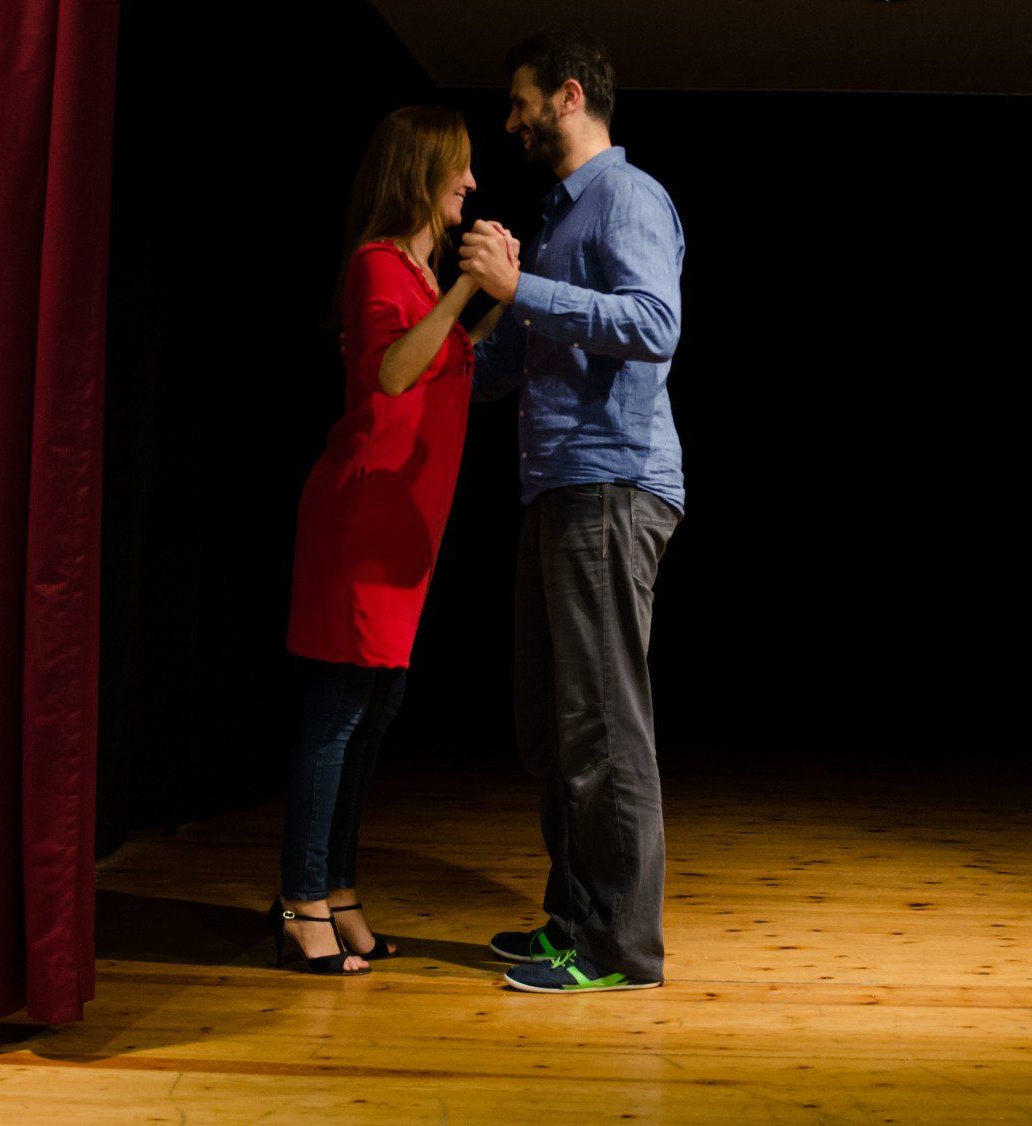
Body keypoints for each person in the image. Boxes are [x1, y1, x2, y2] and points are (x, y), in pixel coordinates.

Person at [460, 29, 686, 994]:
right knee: (548, 727)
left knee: (600, 724)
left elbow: (655, 323)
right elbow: (497, 371)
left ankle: (619, 950)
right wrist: (459, 311)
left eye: (520, 102)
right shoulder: (554, 222)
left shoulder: (625, 197)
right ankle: (574, 922)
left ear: (568, 96)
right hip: (556, 486)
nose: (509, 122)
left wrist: (525, 288)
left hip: (610, 483)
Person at [271, 106, 517, 975]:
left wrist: (495, 304)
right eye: (460, 166)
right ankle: (301, 900)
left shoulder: (417, 274)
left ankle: (337, 890)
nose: (472, 182)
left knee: (376, 711)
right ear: (422, 170)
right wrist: (465, 291)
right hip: (362, 519)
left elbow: (448, 366)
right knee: (342, 708)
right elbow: (392, 371)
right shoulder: (379, 263)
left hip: (404, 531)